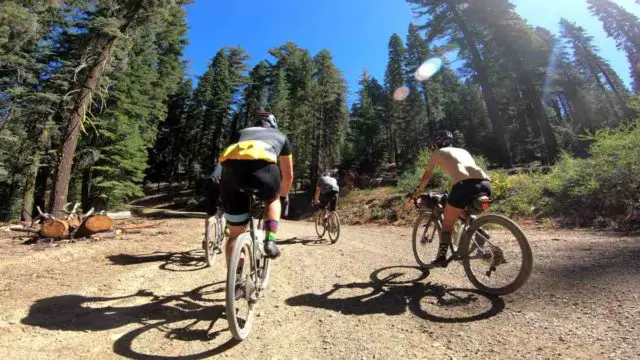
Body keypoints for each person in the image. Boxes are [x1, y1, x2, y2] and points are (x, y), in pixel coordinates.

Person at [409, 130, 491, 268]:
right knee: (463, 212)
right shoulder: (463, 151)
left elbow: (428, 174)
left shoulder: (438, 153)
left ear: (435, 144)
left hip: (463, 186)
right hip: (484, 184)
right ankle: (480, 231)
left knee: (447, 225)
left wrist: (419, 191)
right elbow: (465, 171)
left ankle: (441, 258)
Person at [218, 111, 293, 260]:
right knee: (273, 200)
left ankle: (236, 277)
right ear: (273, 125)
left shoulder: (241, 132)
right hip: (264, 170)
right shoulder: (281, 136)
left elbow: (228, 156)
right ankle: (270, 240)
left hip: (231, 171)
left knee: (234, 234)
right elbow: (288, 175)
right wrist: (282, 196)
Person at [203, 160, 223, 248]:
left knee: (210, 213)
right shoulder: (235, 162)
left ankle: (206, 238)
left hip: (212, 185)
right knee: (223, 213)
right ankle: (219, 239)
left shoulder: (220, 162)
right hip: (223, 187)